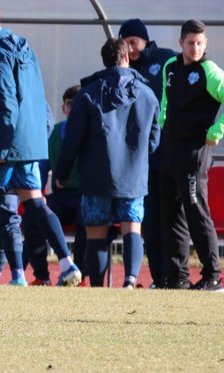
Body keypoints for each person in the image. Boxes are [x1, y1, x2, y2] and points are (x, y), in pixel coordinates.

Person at [0, 0, 82, 287]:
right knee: (36, 203)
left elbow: (5, 100)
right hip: (28, 144)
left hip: (3, 145)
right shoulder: (24, 48)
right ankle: (68, 264)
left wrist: (2, 147)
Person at [56, 39, 160, 288]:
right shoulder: (147, 94)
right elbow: (154, 141)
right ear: (126, 57)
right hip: (133, 176)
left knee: (96, 232)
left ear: (103, 60)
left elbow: (73, 139)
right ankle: (130, 281)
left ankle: (98, 286)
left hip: (96, 175)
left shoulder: (87, 94)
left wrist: (62, 172)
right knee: (132, 228)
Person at [158, 19, 224, 292]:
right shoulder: (169, 67)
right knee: (171, 215)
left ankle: (213, 277)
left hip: (195, 153)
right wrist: (162, 124)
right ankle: (178, 276)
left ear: (205, 44)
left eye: (200, 43)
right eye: (190, 42)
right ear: (181, 42)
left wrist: (216, 131)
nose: (195, 47)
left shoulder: (210, 72)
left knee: (197, 213)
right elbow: (165, 100)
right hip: (170, 151)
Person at [119, 18, 177, 289]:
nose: (130, 49)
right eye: (126, 43)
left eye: (134, 42)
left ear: (144, 40)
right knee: (150, 222)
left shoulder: (166, 60)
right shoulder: (123, 68)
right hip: (141, 162)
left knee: (172, 220)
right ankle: (158, 278)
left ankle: (176, 276)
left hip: (169, 155)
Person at [27, 85, 85, 286]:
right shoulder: (54, 134)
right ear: (63, 108)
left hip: (84, 196)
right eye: (70, 104)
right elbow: (42, 166)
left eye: (78, 104)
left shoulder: (92, 132)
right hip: (60, 197)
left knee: (89, 220)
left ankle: (81, 276)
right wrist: (39, 191)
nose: (73, 108)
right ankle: (41, 276)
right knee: (32, 215)